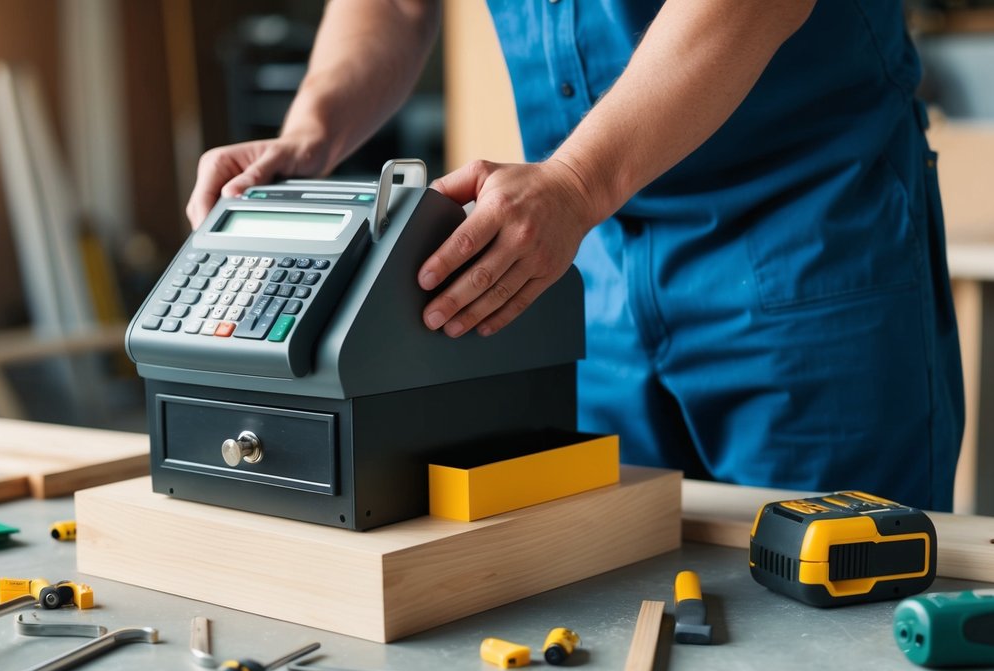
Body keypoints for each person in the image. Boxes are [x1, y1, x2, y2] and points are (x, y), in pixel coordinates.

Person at [186, 0, 963, 511]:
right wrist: (309, 134)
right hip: (586, 260)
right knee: (603, 582)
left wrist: (577, 179)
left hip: (803, 240)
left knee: (836, 603)